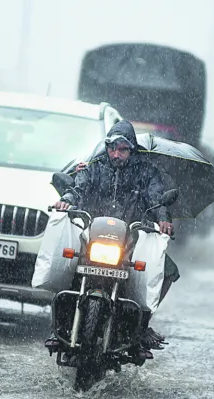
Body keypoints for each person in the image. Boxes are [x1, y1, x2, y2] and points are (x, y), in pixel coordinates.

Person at [46, 120, 179, 358]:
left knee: (168, 270)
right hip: (93, 235)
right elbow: (77, 188)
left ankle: (141, 326)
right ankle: (60, 327)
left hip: (131, 239)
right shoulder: (94, 167)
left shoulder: (147, 173)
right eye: (112, 148)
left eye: (122, 149)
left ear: (132, 150)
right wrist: (66, 199)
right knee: (65, 260)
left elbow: (157, 198)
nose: (116, 154)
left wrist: (163, 219)